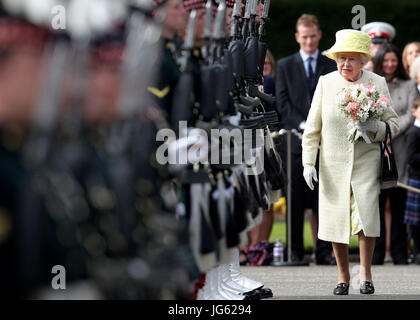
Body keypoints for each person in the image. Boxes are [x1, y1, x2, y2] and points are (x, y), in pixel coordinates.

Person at [302, 29, 399, 295]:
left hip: (366, 162)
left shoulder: (376, 82)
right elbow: (312, 128)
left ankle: (365, 274)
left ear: (363, 60)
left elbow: (394, 123)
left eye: (352, 59)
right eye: (341, 58)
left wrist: (373, 126)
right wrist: (308, 162)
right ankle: (343, 276)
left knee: (367, 216)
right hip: (332, 164)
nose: (345, 64)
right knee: (336, 220)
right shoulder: (326, 82)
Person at [275, 13, 336, 264]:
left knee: (324, 201)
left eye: (313, 36)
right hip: (295, 144)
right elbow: (282, 103)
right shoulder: (285, 65)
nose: (309, 41)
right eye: (304, 37)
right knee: (296, 201)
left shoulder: (330, 65)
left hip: (325, 145)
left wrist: (320, 127)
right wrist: (307, 126)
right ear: (297, 37)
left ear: (319, 35)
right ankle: (295, 252)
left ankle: (323, 252)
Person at [372, 43, 417, 265]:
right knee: (377, 205)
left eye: (394, 60)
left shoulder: (409, 85)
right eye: (386, 60)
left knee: (399, 204)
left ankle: (400, 254)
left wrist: (389, 131)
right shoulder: (373, 83)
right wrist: (382, 133)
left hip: (400, 151)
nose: (390, 64)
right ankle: (376, 254)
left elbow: (411, 114)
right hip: (377, 150)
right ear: (380, 61)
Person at [404, 95, 420, 265]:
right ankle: (416, 252)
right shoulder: (413, 132)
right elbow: (411, 157)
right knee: (416, 222)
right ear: (414, 111)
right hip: (416, 179)